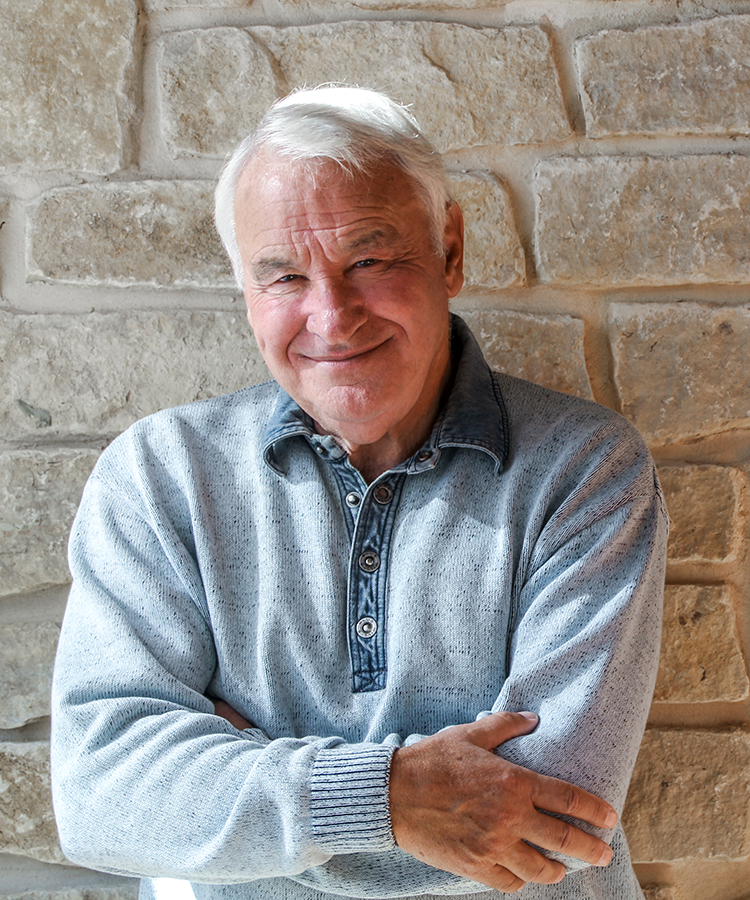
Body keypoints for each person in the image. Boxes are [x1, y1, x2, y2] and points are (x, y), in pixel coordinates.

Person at [51, 86, 668, 900]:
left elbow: (550, 820)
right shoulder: (160, 477)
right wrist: (393, 797)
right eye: (283, 275)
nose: (332, 317)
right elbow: (104, 796)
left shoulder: (584, 469)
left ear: (450, 250)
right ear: (244, 287)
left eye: (369, 262)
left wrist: (240, 787)